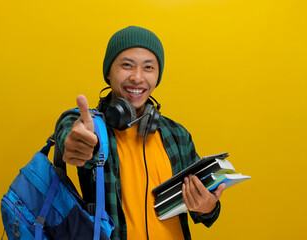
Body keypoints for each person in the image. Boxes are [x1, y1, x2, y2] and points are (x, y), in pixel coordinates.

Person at [55, 26, 225, 240]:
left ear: (157, 75)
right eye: (127, 65)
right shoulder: (90, 126)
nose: (137, 77)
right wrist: (76, 145)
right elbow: (70, 133)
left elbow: (205, 213)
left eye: (148, 67)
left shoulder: (177, 134)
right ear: (108, 72)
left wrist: (207, 207)